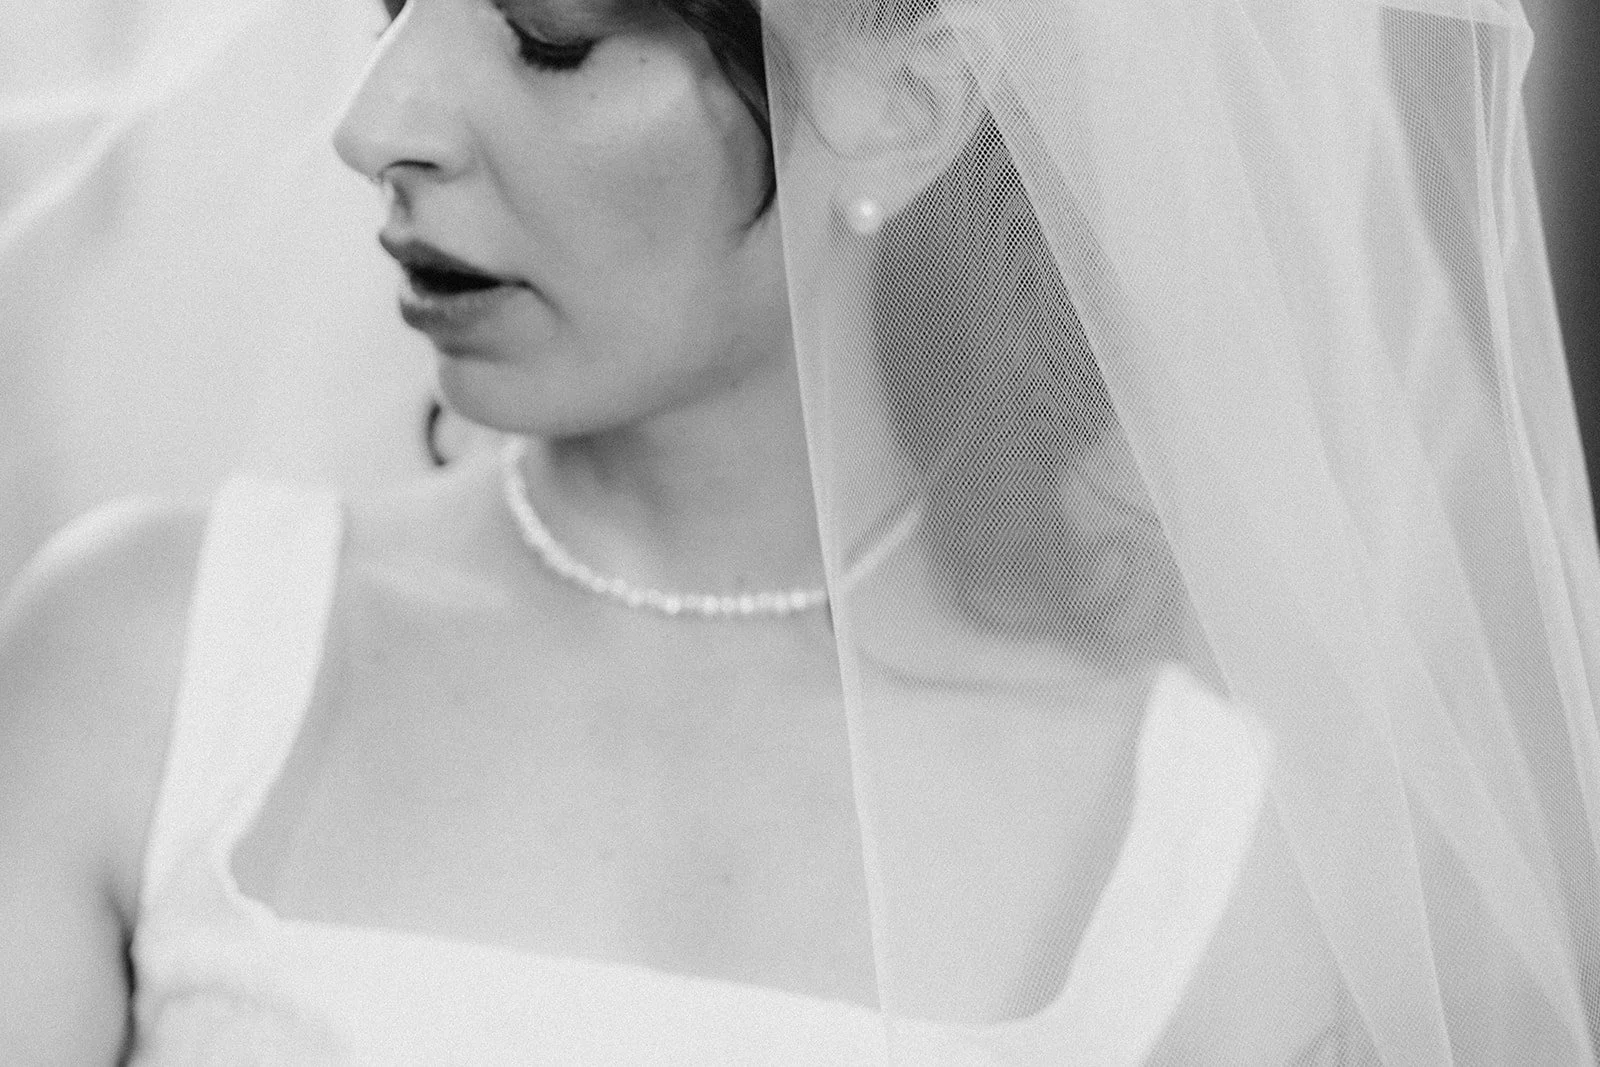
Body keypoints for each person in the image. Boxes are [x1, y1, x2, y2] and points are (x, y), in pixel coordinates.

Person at [3, 0, 1599, 1062]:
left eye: (550, 34)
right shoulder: (153, 665)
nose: (378, 123)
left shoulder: (1193, 851)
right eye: (396, 3)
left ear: (902, 105)